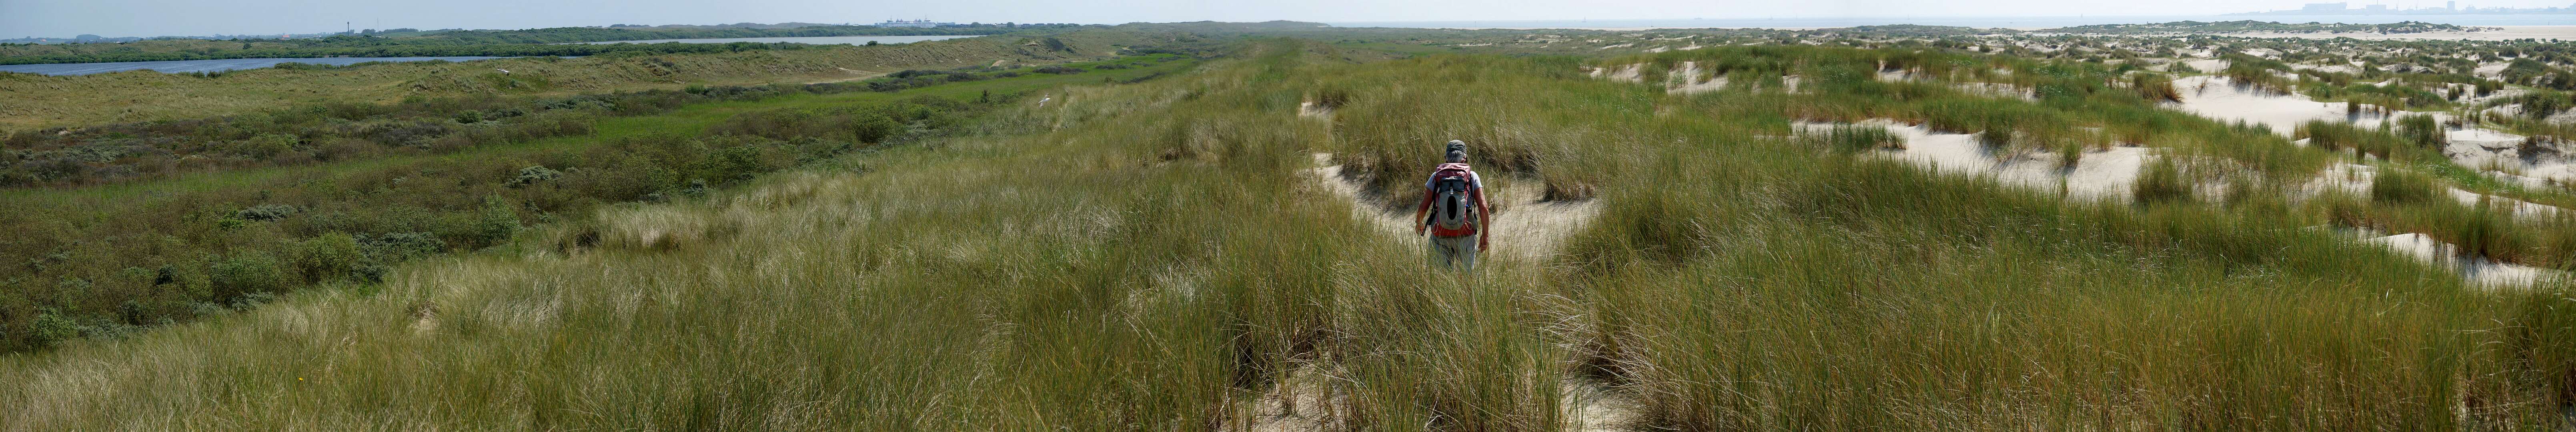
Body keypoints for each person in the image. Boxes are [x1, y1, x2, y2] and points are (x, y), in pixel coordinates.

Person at [1412, 140, 1490, 272]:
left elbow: (1423, 207)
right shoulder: (1472, 177)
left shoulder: (1436, 176)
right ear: (1465, 159)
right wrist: (1485, 235)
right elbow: (1484, 207)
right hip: (1466, 234)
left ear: (1446, 158)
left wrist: (1419, 223)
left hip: (1440, 234)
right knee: (1465, 278)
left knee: (1441, 278)